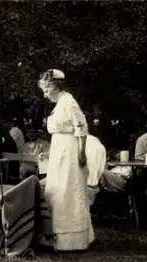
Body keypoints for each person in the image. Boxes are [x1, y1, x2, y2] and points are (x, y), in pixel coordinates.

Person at [38, 69, 94, 251]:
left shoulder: (68, 102)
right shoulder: (60, 103)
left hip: (69, 153)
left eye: (47, 91)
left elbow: (81, 126)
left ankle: (73, 240)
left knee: (68, 191)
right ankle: (58, 237)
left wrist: (81, 152)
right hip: (59, 151)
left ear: (55, 86)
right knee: (57, 191)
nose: (45, 95)